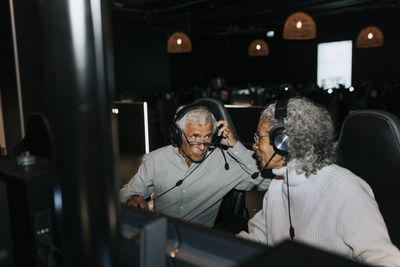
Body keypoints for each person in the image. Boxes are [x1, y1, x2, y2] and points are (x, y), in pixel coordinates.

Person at [237, 97, 400, 266]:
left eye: (259, 137)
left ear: (283, 141)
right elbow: (257, 237)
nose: (255, 145)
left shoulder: (343, 188)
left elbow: (387, 261)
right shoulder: (277, 186)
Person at [119, 103, 271, 228]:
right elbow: (126, 192)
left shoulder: (225, 162)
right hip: (160, 234)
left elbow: (267, 182)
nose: (202, 146)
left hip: (198, 241)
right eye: (194, 137)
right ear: (178, 135)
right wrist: (131, 198)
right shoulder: (156, 159)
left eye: (207, 137)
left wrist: (235, 146)